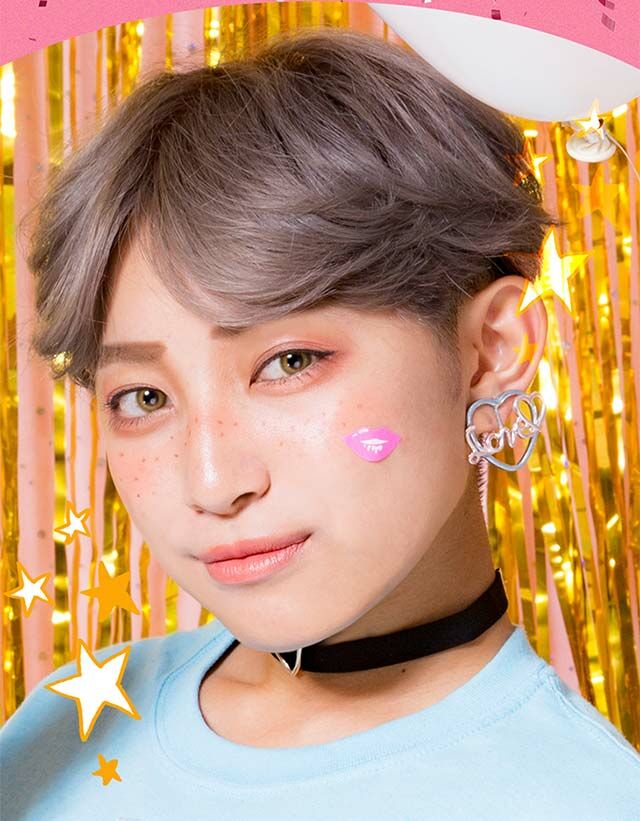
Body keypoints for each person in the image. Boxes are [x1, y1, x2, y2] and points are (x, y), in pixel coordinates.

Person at [2, 25, 639, 821]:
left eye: (291, 361)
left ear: (490, 349)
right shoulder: (68, 723)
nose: (215, 482)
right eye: (144, 398)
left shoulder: (585, 800)